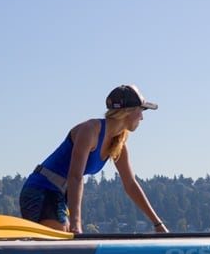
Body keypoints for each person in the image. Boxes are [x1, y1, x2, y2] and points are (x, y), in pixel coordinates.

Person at [20, 84, 169, 234]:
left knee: (64, 237)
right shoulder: (90, 130)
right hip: (40, 189)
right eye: (141, 111)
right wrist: (76, 224)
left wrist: (158, 224)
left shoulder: (119, 144)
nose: (142, 117)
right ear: (127, 111)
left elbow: (130, 184)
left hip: (59, 195)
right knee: (61, 237)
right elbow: (75, 176)